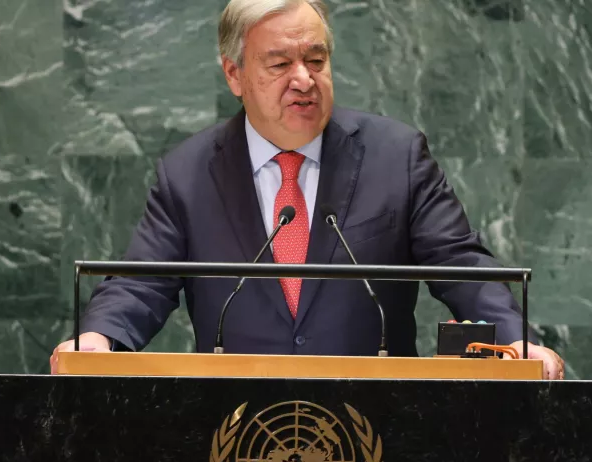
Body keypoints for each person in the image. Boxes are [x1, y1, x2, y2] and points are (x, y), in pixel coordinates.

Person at [50, 0, 564, 379]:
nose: (303, 79)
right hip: (230, 433)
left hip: (384, 430)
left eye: (316, 61)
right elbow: (142, 283)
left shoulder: (396, 157)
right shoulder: (187, 175)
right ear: (234, 74)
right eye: (279, 64)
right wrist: (98, 340)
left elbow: (459, 264)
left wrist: (518, 340)